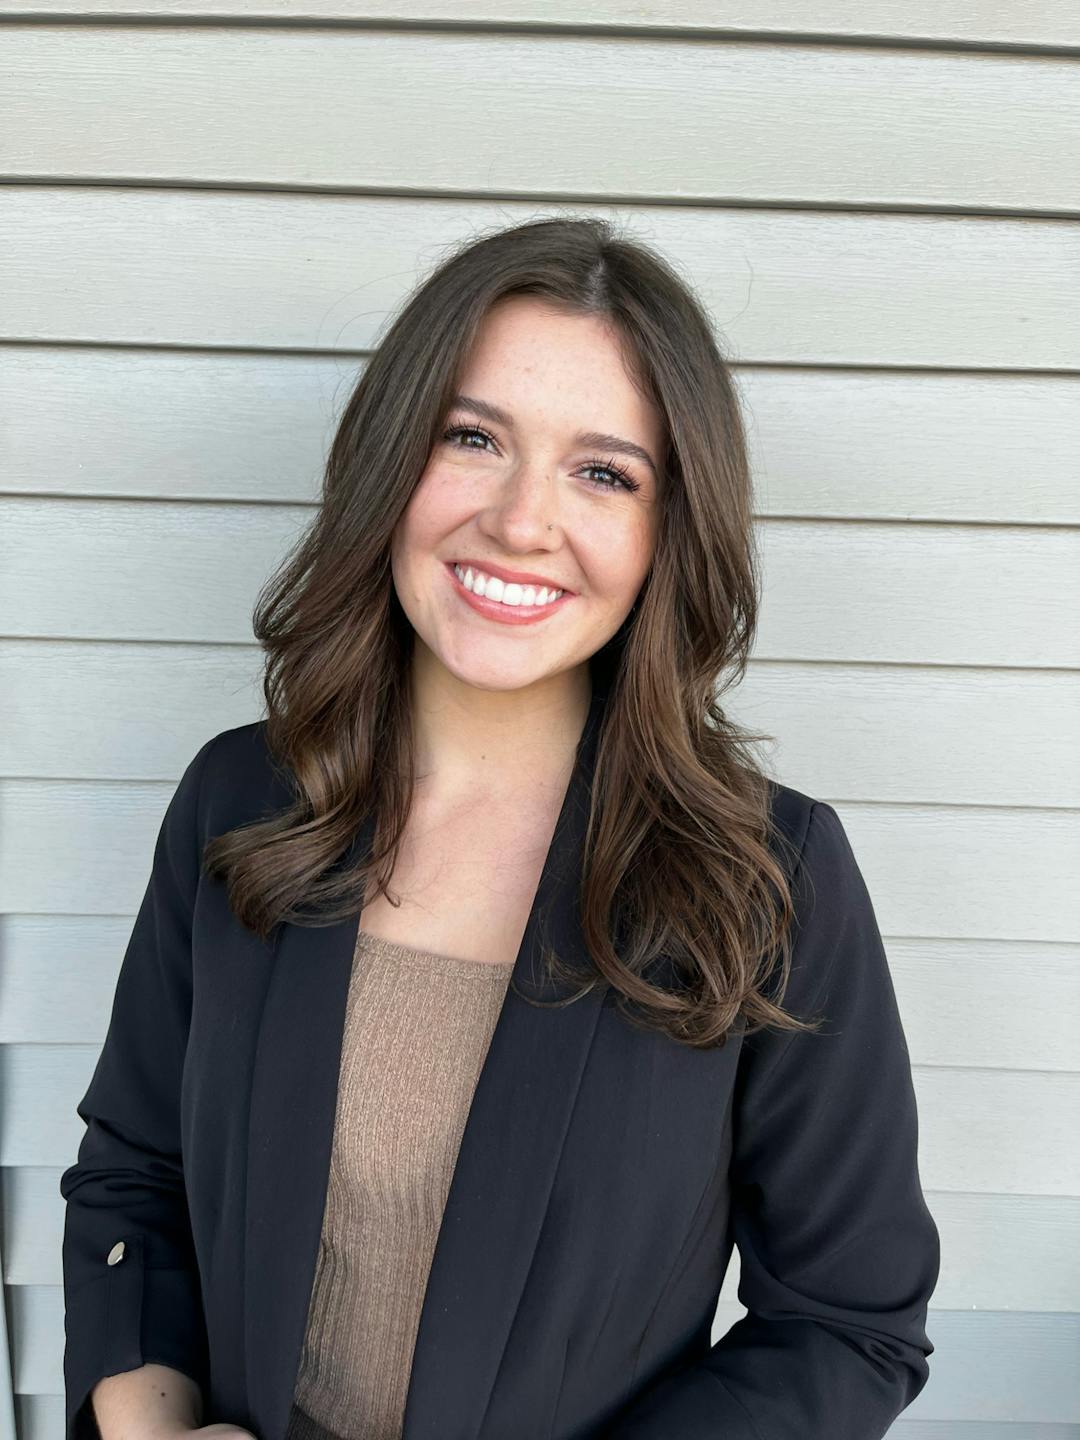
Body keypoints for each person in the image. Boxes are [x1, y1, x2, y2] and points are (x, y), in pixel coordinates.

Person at [61, 215, 940, 1440]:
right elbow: (133, 1174)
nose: (524, 521)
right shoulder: (241, 804)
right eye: (471, 438)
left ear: (664, 531)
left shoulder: (769, 881)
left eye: (603, 471)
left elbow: (849, 1323)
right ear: (389, 465)